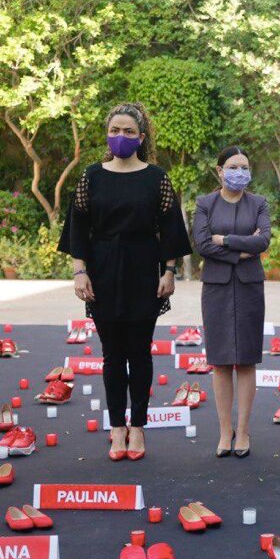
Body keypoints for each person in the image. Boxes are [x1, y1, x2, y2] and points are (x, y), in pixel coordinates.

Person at [58, 103, 192, 461]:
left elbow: (170, 228)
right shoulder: (92, 176)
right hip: (102, 272)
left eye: (129, 131)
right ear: (107, 134)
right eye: (115, 130)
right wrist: (79, 270)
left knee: (140, 352)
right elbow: (78, 226)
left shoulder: (156, 177)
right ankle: (117, 428)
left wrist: (168, 271)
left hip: (142, 271)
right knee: (112, 355)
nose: (121, 136)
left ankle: (138, 427)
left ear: (141, 137)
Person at [192, 146, 272, 458]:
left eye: (244, 166)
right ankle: (226, 432)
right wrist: (242, 250)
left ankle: (244, 431)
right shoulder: (205, 203)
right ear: (219, 170)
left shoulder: (259, 203)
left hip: (250, 286)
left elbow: (263, 241)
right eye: (232, 166)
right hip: (216, 287)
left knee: (247, 358)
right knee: (221, 360)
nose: (239, 172)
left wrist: (224, 240)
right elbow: (201, 244)